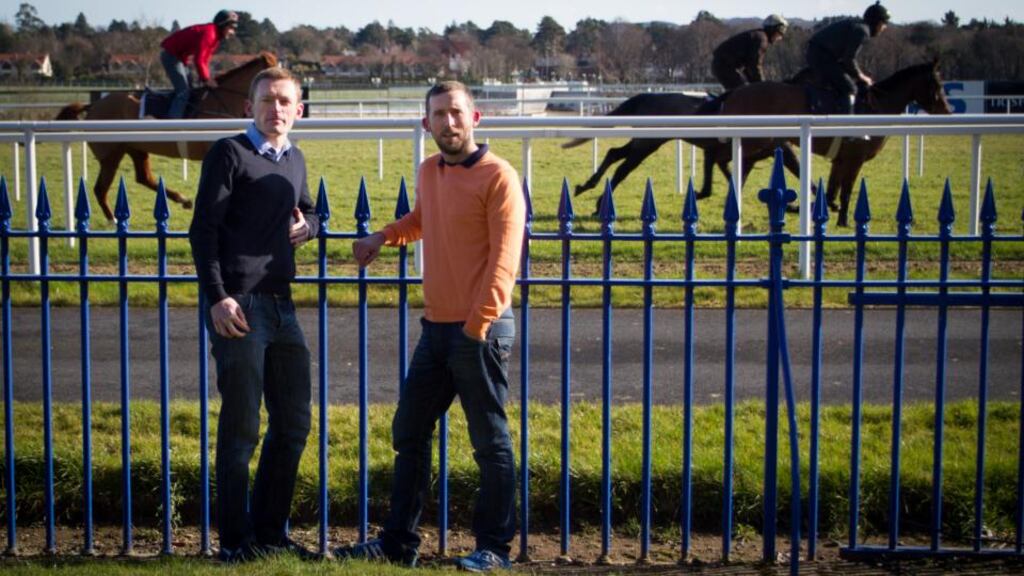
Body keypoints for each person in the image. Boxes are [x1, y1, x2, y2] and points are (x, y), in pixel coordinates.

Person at [334, 81, 526, 572]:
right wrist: (384, 235)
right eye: (439, 115)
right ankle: (398, 544)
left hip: (479, 330)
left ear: (476, 118)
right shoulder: (429, 171)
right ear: (427, 124)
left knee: (489, 442)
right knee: (409, 432)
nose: (449, 122)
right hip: (436, 328)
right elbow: (424, 218)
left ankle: (495, 549)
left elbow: (504, 265)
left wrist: (475, 328)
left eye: (456, 113)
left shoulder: (499, 176)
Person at [189, 66, 319, 563]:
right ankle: (235, 542)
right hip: (238, 305)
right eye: (267, 100)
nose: (276, 109)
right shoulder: (229, 153)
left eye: (285, 101)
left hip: (283, 307)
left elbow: (310, 212)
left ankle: (270, 533)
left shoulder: (295, 158)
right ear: (250, 106)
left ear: (298, 110)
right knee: (242, 429)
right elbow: (203, 231)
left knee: (293, 425)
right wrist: (217, 297)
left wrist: (309, 227)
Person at [806, 2, 890, 115]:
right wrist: (862, 77)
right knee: (850, 88)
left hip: (821, 53)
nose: (884, 28)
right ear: (878, 23)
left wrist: (858, 74)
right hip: (822, 56)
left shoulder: (859, 26)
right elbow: (849, 60)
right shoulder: (862, 31)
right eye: (884, 23)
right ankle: (847, 125)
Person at [160, 9, 239, 119]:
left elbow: (205, 60)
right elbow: (199, 60)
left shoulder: (215, 37)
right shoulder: (210, 33)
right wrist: (207, 79)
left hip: (180, 58)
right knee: (183, 92)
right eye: (231, 28)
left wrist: (207, 79)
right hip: (171, 56)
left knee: (191, 90)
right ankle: (172, 125)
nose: (232, 32)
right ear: (222, 25)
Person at [711, 14, 789, 91]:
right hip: (724, 65)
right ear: (773, 30)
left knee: (744, 90)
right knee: (742, 92)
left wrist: (758, 84)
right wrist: (763, 87)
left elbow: (749, 69)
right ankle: (717, 103)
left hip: (721, 64)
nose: (780, 38)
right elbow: (754, 66)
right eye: (779, 34)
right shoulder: (761, 39)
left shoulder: (759, 35)